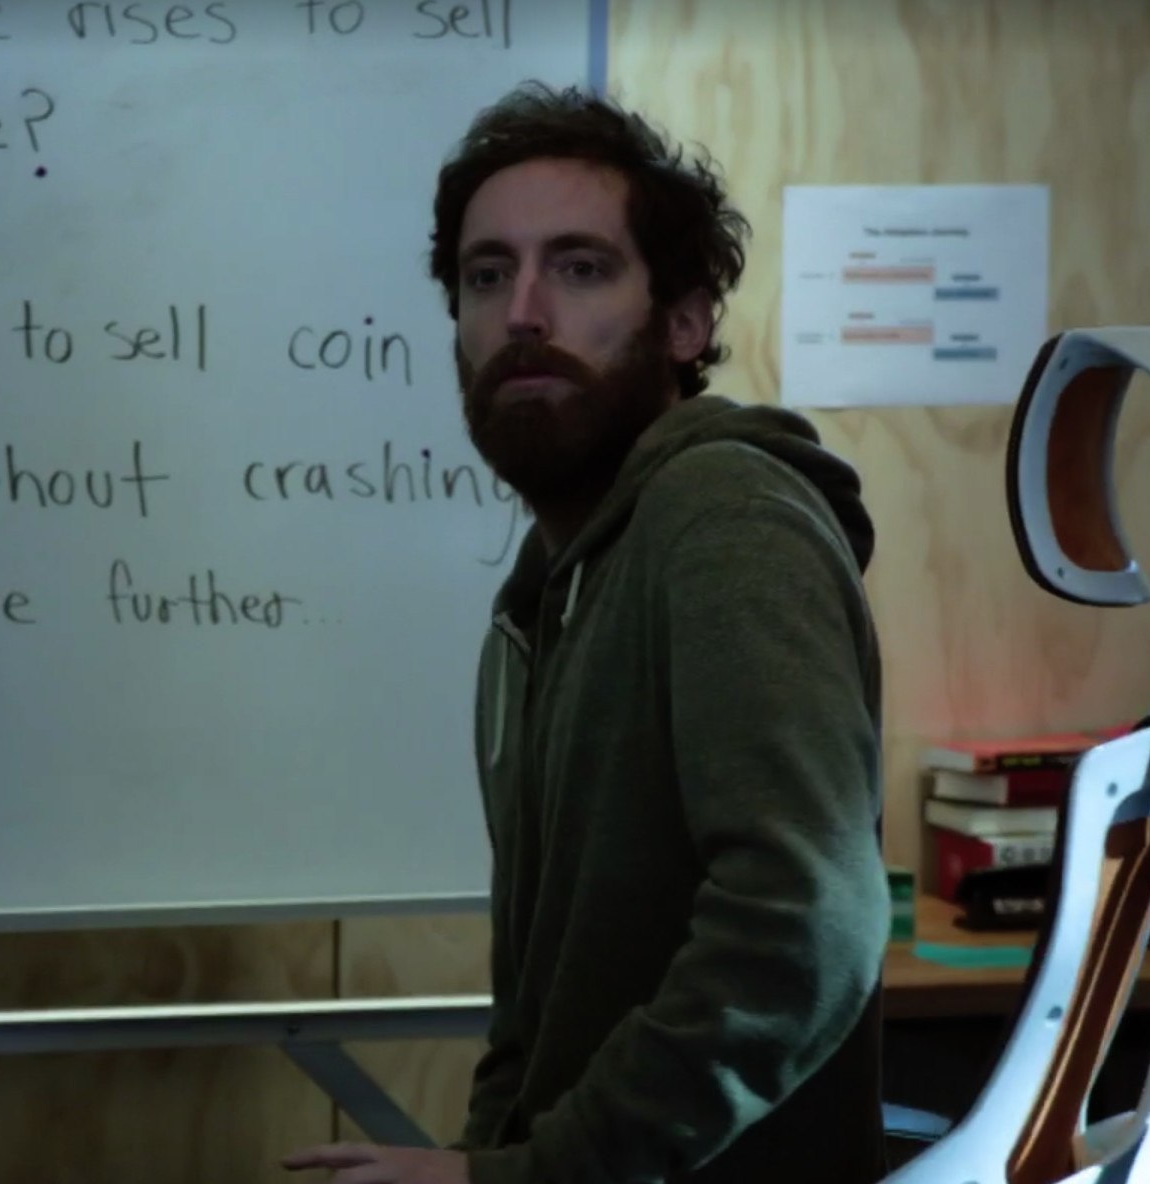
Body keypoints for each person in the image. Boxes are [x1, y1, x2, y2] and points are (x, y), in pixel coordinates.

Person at [284, 81, 892, 1184]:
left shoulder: (723, 518)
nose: (523, 313)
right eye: (486, 276)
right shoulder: (537, 607)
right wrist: (483, 1163)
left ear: (685, 322)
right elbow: (532, 1013)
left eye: (578, 267)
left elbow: (803, 927)